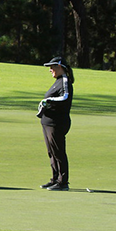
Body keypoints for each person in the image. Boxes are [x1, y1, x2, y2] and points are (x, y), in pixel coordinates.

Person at [37, 57, 74, 191]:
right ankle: (55, 179)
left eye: (52, 67)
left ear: (60, 67)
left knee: (58, 152)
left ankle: (63, 182)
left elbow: (64, 97)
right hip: (48, 122)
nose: (50, 70)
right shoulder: (57, 81)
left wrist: (48, 101)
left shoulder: (65, 81)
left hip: (57, 123)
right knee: (51, 152)